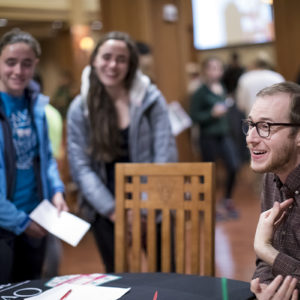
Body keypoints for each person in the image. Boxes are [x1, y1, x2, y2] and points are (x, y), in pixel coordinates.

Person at [67, 31, 177, 273]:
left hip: (153, 202)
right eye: (106, 57)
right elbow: (81, 166)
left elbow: (165, 155)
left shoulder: (150, 99)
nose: (113, 65)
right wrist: (114, 211)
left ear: (131, 64)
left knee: (167, 275)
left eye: (121, 59)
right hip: (104, 207)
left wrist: (144, 209)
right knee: (117, 278)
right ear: (94, 60)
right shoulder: (80, 107)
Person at [0, 28, 68, 283]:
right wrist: (20, 223)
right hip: (6, 224)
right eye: (10, 62)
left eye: (26, 64)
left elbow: (46, 157)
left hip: (37, 217)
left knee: (31, 289)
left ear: (35, 65)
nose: (18, 71)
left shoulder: (37, 106)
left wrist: (57, 191)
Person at [241, 81, 300, 299]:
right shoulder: (271, 174)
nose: (250, 138)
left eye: (265, 126)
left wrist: (266, 250)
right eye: (250, 125)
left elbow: (266, 249)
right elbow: (267, 258)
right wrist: (266, 286)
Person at [190, 56, 240, 220]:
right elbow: (194, 116)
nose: (215, 71)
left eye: (218, 68)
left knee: (233, 166)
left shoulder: (222, 88)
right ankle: (209, 206)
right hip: (208, 136)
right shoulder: (200, 92)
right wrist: (211, 114)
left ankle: (226, 200)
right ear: (205, 70)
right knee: (209, 173)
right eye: (211, 68)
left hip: (224, 134)